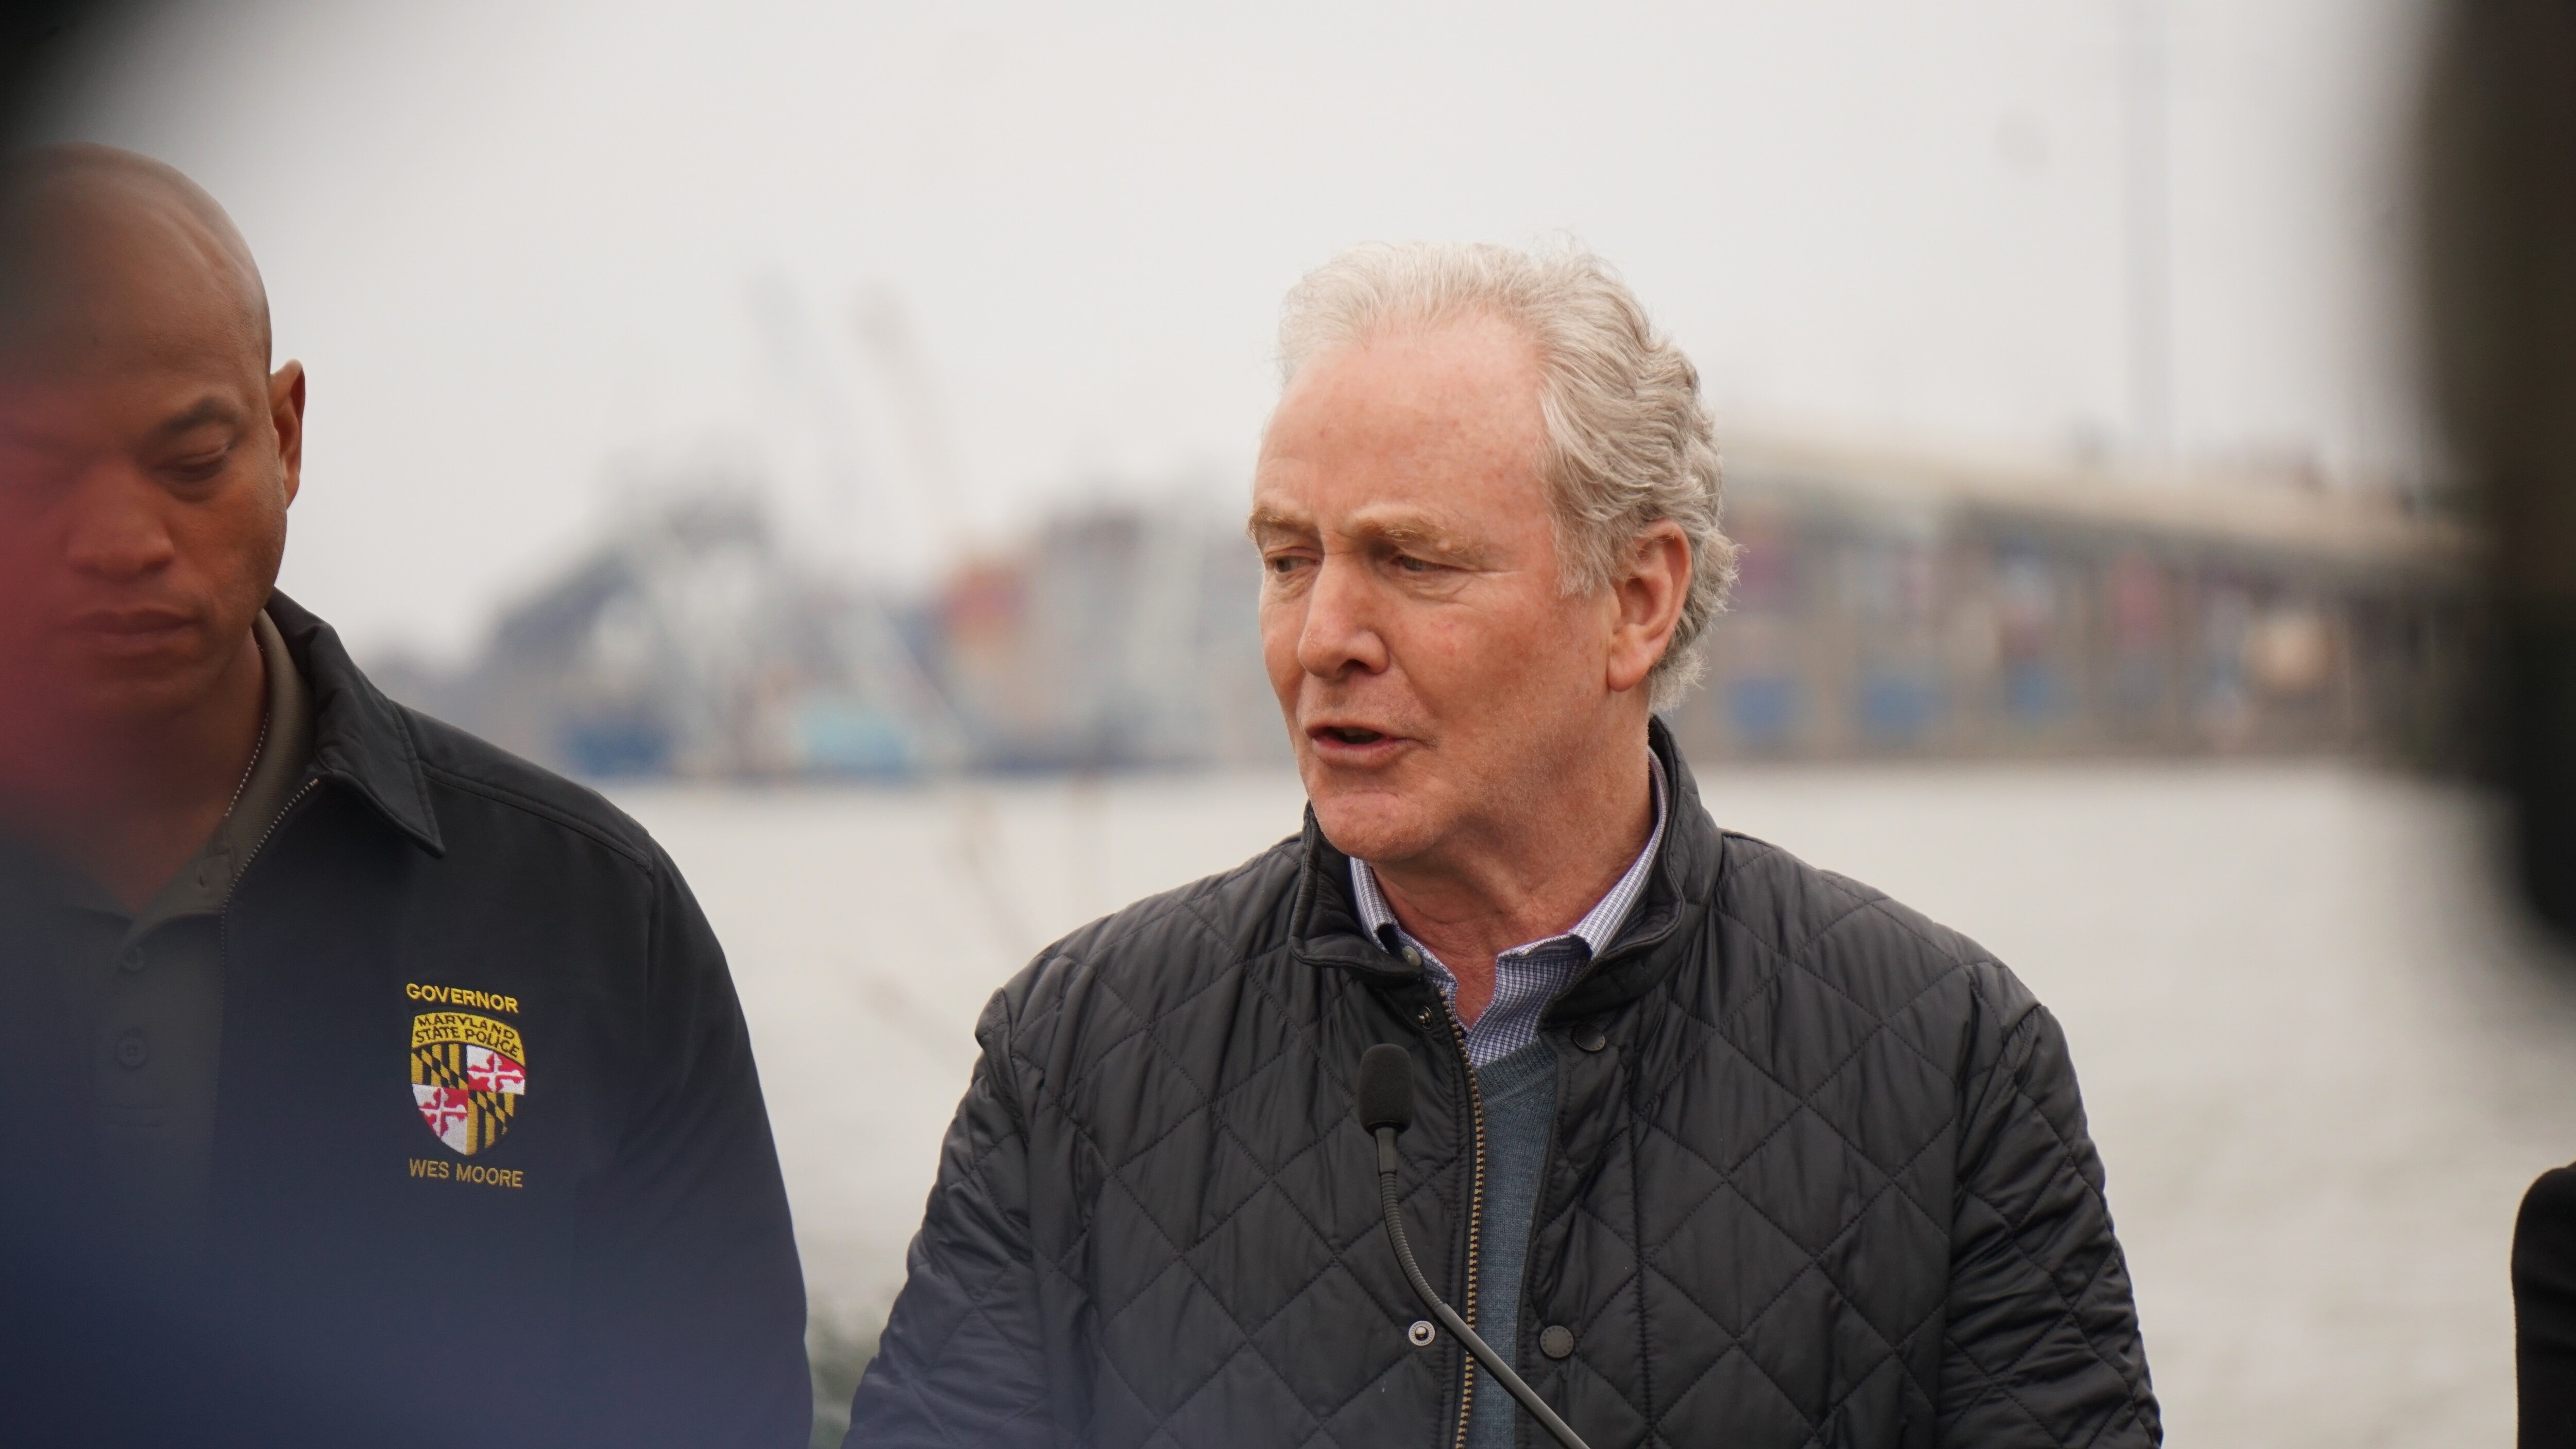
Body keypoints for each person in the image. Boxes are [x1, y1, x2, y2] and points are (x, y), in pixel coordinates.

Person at [846, 242, 2160, 1447]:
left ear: (1635, 602)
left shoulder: (1948, 1068)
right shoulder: (1076, 1055)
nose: (1323, 640)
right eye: (1289, 559)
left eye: (1409, 562)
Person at [0, 144, 809, 1447]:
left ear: (285, 435)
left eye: (191, 461)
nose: (121, 539)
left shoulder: (589, 921)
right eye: (34, 472)